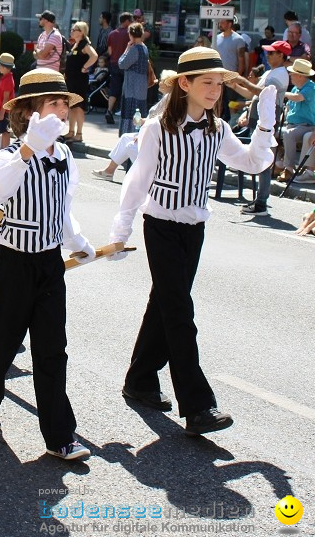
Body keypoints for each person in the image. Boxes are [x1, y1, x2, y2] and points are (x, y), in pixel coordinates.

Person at [110, 47, 277, 435]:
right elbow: (137, 181)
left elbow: (253, 163)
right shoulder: (157, 128)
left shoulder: (217, 128)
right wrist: (122, 229)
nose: (216, 90)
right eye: (207, 83)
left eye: (219, 83)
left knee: (165, 305)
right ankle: (198, 407)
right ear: (184, 84)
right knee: (180, 315)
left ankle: (139, 379)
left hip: (194, 229)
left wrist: (266, 123)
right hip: (162, 226)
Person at [0, 68, 96, 461]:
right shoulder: (10, 156)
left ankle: (60, 434)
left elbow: (65, 208)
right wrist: (27, 151)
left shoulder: (65, 155)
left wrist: (78, 242)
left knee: (52, 349)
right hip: (13, 263)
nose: (61, 110)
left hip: (49, 263)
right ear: (29, 112)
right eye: (53, 104)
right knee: (3, 339)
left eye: (65, 104)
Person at [234, 40, 291, 216]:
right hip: (260, 118)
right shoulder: (271, 72)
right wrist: (234, 85)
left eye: (272, 53)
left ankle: (261, 203)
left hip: (266, 119)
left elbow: (263, 94)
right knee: (260, 159)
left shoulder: (280, 73)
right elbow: (251, 94)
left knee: (264, 160)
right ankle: (259, 201)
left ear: (281, 55)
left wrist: (241, 80)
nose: (268, 55)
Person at [278, 58, 315, 181]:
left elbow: (298, 98)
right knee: (272, 132)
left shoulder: (311, 88)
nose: (290, 76)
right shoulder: (295, 88)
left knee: (288, 134)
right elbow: (290, 107)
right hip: (292, 124)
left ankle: (289, 169)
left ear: (300, 76)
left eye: (292, 74)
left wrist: (281, 93)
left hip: (308, 126)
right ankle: (275, 164)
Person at [117, 23, 155, 136]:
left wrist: (126, 49)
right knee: (139, 112)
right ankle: (138, 135)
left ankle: (128, 136)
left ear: (131, 34)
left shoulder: (134, 49)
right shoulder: (144, 48)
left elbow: (121, 64)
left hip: (132, 87)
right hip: (141, 87)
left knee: (130, 112)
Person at [64, 21, 98, 143]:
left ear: (81, 32)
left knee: (78, 107)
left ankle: (79, 133)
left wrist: (85, 67)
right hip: (72, 79)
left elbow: (94, 56)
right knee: (72, 106)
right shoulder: (76, 44)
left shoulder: (85, 44)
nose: (72, 31)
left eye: (74, 29)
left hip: (79, 80)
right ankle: (71, 131)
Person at [105, 13, 132, 125]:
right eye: (130, 21)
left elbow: (110, 52)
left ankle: (109, 110)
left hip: (114, 64)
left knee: (114, 89)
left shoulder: (112, 34)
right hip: (126, 64)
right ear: (126, 21)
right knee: (126, 89)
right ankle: (123, 112)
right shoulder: (129, 34)